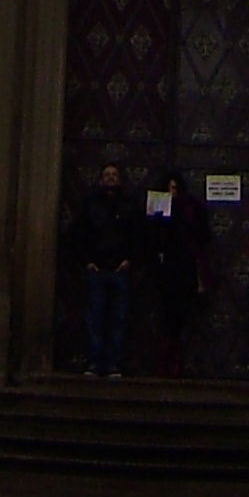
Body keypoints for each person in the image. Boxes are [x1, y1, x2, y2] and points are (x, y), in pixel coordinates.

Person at [142, 168, 215, 377]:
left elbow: (202, 236)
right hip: (165, 271)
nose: (172, 192)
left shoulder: (191, 208)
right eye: (168, 188)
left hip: (185, 270)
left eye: (174, 188)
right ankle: (165, 361)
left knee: (182, 319)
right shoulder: (158, 208)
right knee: (166, 319)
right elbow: (151, 236)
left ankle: (180, 362)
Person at [71, 158, 139, 377]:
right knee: (96, 317)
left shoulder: (128, 205)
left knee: (118, 319)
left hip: (120, 269)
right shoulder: (90, 205)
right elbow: (79, 233)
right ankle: (94, 361)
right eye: (107, 175)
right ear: (100, 180)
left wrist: (129, 259)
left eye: (115, 175)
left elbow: (137, 235)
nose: (111, 178)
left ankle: (113, 363)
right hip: (97, 269)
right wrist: (87, 260)